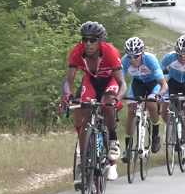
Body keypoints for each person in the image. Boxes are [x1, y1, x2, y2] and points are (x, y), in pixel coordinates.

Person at [63, 21, 127, 181]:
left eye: (93, 40)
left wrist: (116, 100)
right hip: (91, 81)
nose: (88, 44)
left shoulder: (110, 52)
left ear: (101, 41)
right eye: (85, 39)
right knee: (81, 110)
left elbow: (122, 84)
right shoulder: (77, 52)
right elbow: (68, 80)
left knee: (107, 103)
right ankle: (83, 157)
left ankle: (113, 140)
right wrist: (67, 95)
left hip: (110, 82)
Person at [121, 37, 168, 160]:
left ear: (141, 53)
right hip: (138, 84)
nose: (132, 59)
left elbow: (163, 84)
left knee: (151, 105)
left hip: (153, 83)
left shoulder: (150, 60)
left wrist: (159, 95)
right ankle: (128, 147)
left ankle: (156, 134)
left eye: (136, 56)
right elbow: (119, 81)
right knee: (131, 111)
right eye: (129, 56)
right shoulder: (125, 61)